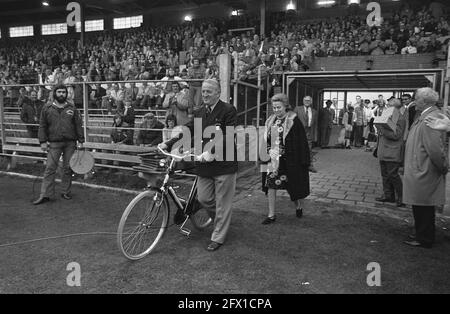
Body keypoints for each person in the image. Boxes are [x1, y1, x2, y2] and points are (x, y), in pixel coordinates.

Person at [158, 79, 238, 252]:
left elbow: (229, 136)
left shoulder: (228, 110)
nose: (205, 94)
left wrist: (211, 152)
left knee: (223, 204)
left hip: (224, 164)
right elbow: (188, 130)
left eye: (209, 91)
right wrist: (170, 142)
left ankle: (218, 237)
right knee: (204, 199)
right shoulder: (200, 111)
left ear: (218, 92)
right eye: (203, 92)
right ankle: (221, 222)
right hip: (204, 165)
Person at [403, 87, 448, 249]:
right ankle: (421, 233)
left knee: (424, 206)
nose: (414, 101)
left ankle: (425, 238)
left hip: (424, 169)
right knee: (420, 204)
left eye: (416, 98)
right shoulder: (425, 115)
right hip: (420, 167)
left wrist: (443, 167)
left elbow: (435, 149)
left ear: (424, 101)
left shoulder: (431, 117)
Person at [261, 93, 310, 224]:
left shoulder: (294, 120)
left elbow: (301, 142)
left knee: (291, 186)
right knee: (271, 185)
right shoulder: (270, 120)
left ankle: (298, 206)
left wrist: (303, 160)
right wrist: (267, 152)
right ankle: (271, 215)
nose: (276, 110)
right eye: (274, 107)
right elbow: (266, 139)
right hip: (273, 161)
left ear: (285, 106)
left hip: (290, 161)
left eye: (279, 107)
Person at [33, 84, 84, 205]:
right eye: (59, 92)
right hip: (54, 143)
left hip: (70, 143)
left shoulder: (72, 108)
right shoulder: (47, 108)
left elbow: (78, 125)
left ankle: (65, 191)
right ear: (55, 93)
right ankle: (46, 194)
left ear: (66, 94)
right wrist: (42, 141)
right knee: (50, 168)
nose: (62, 94)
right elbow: (42, 126)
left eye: (64, 92)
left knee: (68, 168)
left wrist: (81, 141)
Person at [374, 98, 406, 207]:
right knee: (385, 175)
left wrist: (382, 130)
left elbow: (396, 135)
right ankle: (388, 196)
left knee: (393, 175)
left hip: (392, 151)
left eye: (389, 106)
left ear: (395, 107)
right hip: (384, 151)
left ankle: (401, 197)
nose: (387, 107)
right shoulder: (388, 117)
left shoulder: (400, 118)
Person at [294, 95, 317, 172]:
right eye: (305, 100)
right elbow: (292, 121)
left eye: (308, 101)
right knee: (298, 148)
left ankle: (310, 165)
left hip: (309, 132)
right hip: (299, 132)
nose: (307, 102)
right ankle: (298, 166)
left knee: (309, 149)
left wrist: (314, 135)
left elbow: (314, 124)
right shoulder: (297, 109)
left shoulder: (314, 111)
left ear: (311, 102)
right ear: (303, 101)